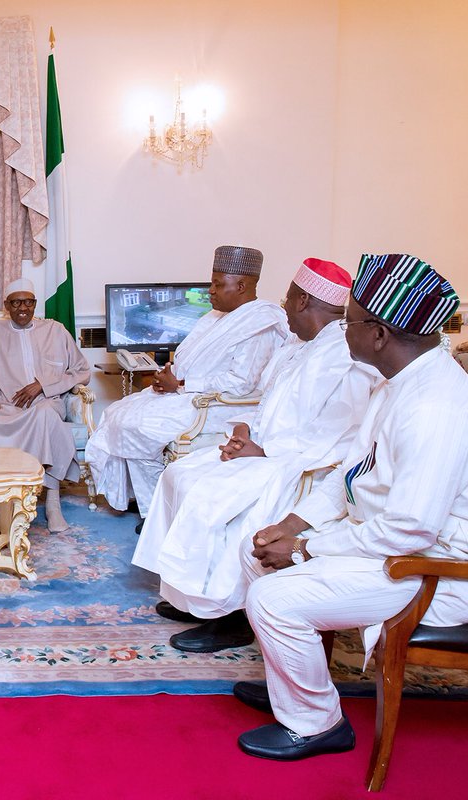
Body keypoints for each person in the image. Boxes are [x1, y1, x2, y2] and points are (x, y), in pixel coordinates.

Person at [232, 254, 468, 762]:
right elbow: (352, 475)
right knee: (254, 548)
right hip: (394, 543)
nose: (340, 330)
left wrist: (305, 549)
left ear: (378, 334)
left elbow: (410, 530)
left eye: (347, 320)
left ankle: (317, 724)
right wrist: (289, 524)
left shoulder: (436, 406)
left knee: (274, 600)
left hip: (445, 568)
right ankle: (296, 682)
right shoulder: (399, 383)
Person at [132, 259, 377, 652]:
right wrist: (243, 431)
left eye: (288, 298)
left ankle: (229, 617)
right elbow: (266, 404)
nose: (282, 305)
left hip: (300, 466)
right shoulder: (296, 346)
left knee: (211, 495)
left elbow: (339, 434)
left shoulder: (342, 354)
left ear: (302, 301)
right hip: (262, 449)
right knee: (180, 475)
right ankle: (193, 599)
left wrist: (264, 451)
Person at [82, 245, 289, 518]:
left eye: (217, 284)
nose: (210, 291)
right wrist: (169, 379)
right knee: (117, 412)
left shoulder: (259, 324)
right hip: (188, 393)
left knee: (138, 425)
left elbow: (240, 383)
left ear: (241, 286)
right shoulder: (217, 316)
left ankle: (159, 512)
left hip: (221, 406)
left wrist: (180, 384)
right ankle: (143, 500)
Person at [0, 278, 92, 532]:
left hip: (46, 402)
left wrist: (43, 385)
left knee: (46, 417)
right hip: (7, 405)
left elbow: (82, 371)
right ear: (6, 306)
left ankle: (53, 505)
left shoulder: (55, 330)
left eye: (28, 302)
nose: (23, 307)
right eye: (16, 302)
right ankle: (3, 506)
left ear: (35, 304)